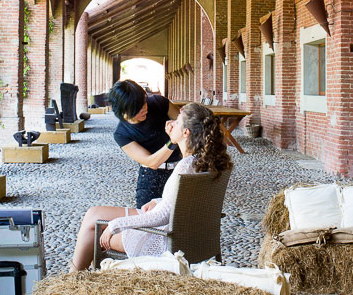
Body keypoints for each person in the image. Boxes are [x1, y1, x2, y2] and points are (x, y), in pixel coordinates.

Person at [70, 102, 232, 271]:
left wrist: (115, 225)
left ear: (186, 132)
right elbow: (184, 200)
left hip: (162, 238)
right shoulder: (204, 163)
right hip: (188, 233)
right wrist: (158, 200)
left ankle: (73, 279)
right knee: (94, 213)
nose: (171, 123)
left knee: (96, 233)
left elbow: (161, 217)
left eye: (177, 121)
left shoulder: (185, 166)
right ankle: (74, 279)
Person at [108, 80, 181, 208]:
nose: (144, 109)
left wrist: (184, 120)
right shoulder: (121, 134)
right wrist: (173, 141)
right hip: (152, 176)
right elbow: (151, 162)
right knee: (145, 218)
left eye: (144, 103)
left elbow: (188, 127)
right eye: (137, 108)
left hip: (180, 169)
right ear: (122, 110)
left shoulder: (159, 103)